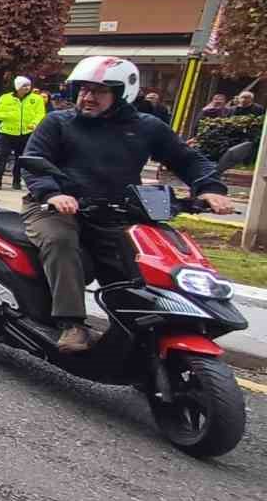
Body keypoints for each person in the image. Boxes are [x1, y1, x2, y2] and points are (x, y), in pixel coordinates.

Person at [22, 56, 234, 353]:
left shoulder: (147, 127)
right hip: (53, 206)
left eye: (99, 91)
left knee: (141, 258)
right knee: (60, 241)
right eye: (84, 89)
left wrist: (210, 189)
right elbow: (34, 163)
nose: (88, 97)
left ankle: (139, 329)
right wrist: (52, 193)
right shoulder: (58, 122)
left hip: (116, 209)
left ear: (122, 94)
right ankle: (71, 323)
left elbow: (186, 159)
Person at [0, 75, 47, 190]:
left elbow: (40, 114)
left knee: (20, 158)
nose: (27, 88)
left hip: (25, 132)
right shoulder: (5, 98)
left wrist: (34, 124)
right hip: (7, 132)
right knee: (2, 155)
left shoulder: (36, 99)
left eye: (28, 85)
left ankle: (17, 181)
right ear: (17, 87)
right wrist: (10, 115)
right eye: (24, 86)